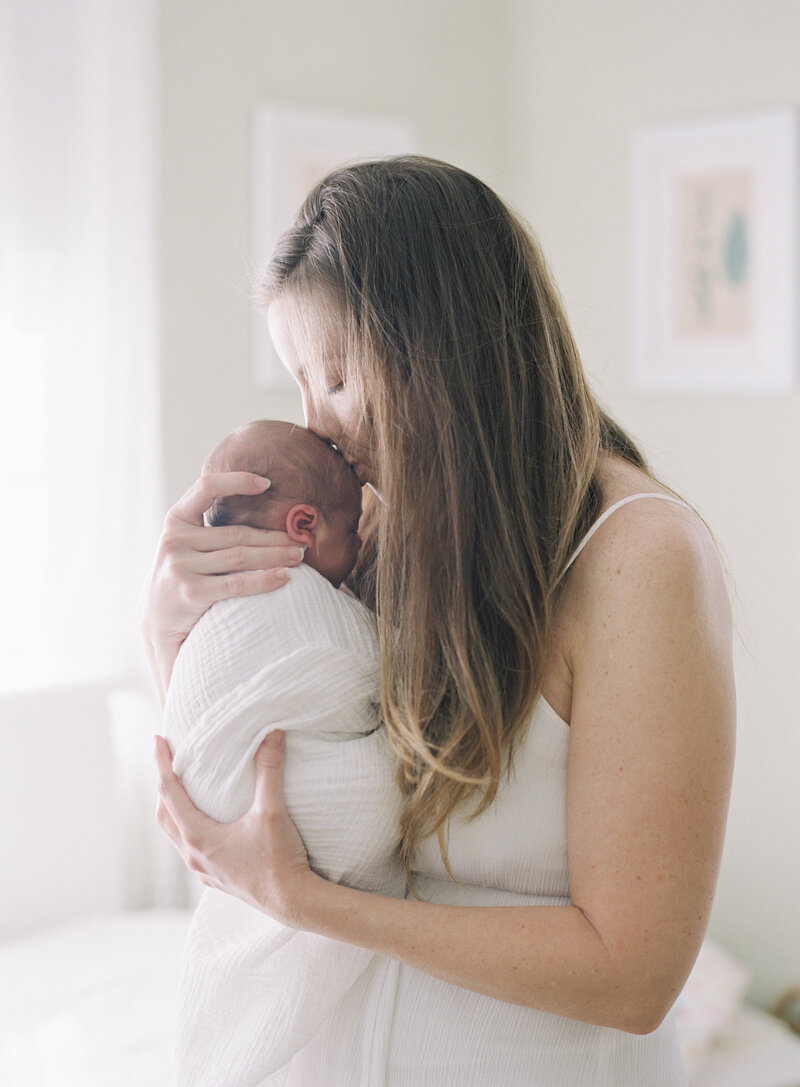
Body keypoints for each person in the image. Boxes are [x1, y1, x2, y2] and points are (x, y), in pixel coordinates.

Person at [144, 156, 735, 1086]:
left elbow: (635, 973)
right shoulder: (379, 529)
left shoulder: (640, 559)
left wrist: (307, 903)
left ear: (441, 351)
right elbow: (264, 793)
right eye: (298, 383)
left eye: (333, 377)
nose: (317, 430)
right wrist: (173, 631)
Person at [162, 419, 405, 1084]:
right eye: (351, 533)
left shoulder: (214, 612)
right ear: (303, 527)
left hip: (228, 816)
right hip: (252, 812)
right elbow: (368, 672)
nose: (357, 555)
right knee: (375, 796)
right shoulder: (293, 599)